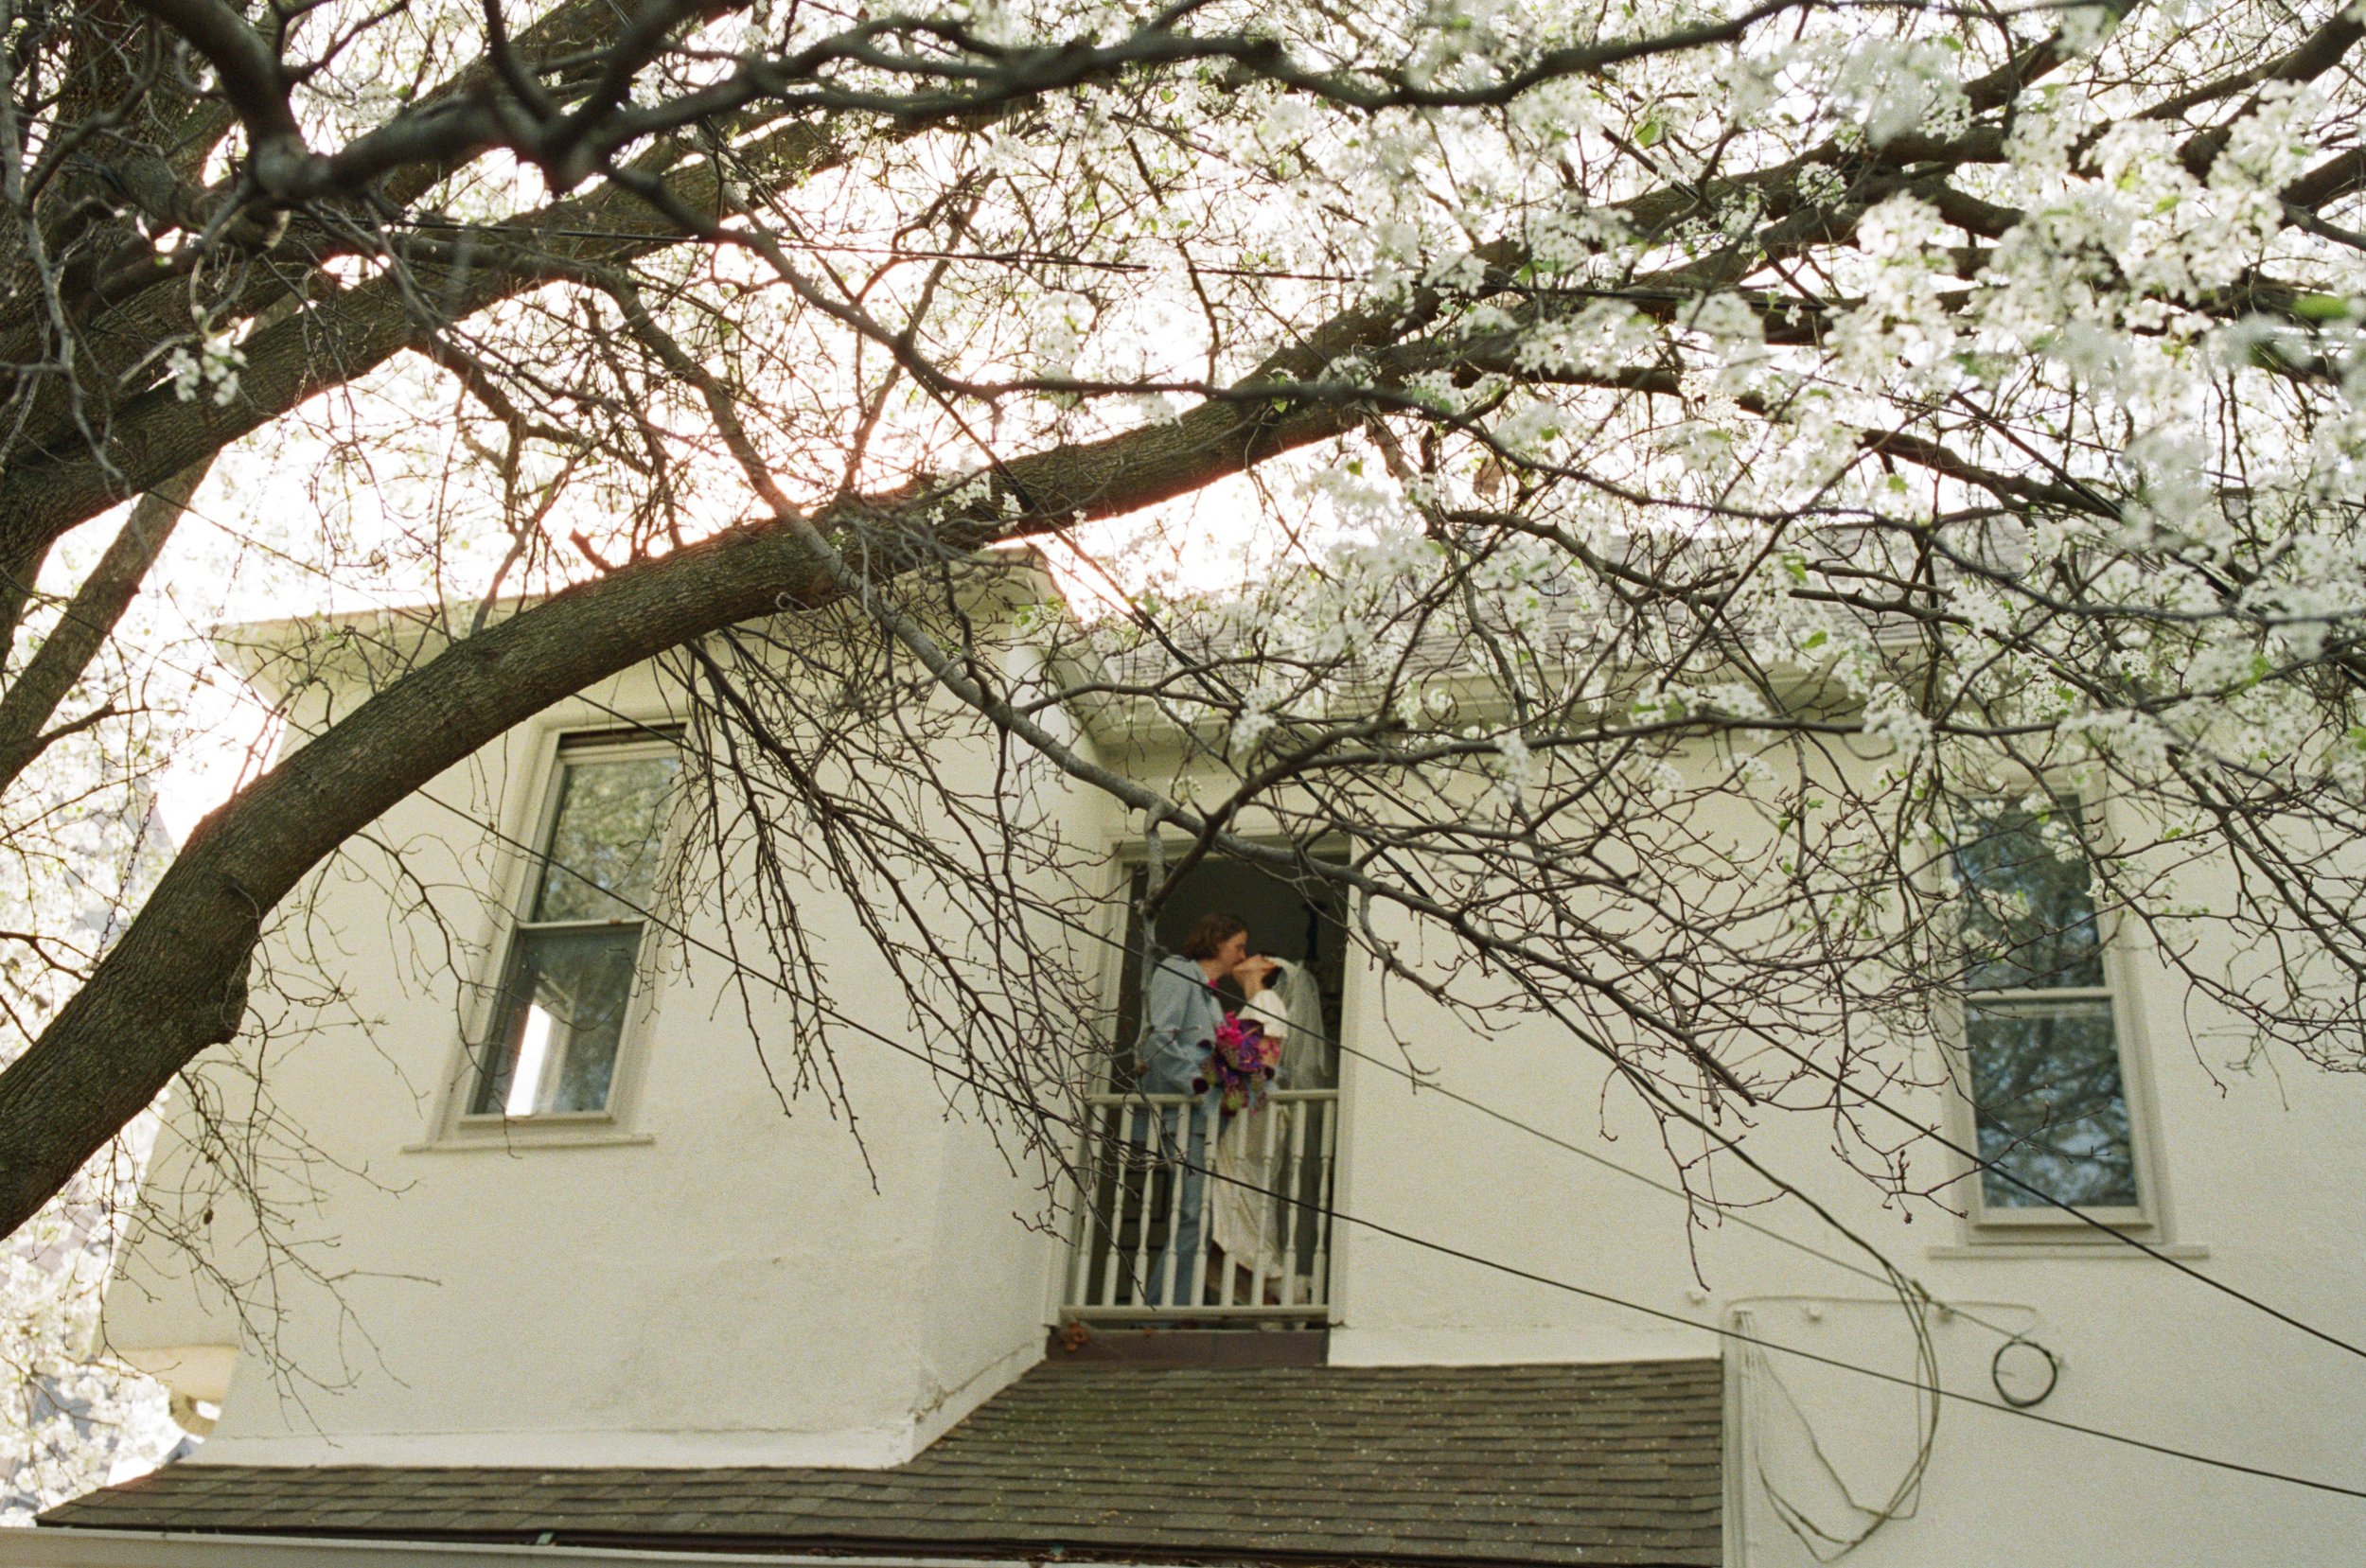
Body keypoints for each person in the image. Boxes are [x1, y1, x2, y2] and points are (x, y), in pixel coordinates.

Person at [1133, 911, 1246, 1308]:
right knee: (1193, 1216)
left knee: (1199, 1217)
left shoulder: (1209, 995)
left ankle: (1170, 1307)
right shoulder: (1177, 973)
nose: (1241, 955)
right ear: (1217, 942)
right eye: (1238, 946)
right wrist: (1202, 1086)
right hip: (1179, 1116)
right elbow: (1157, 1040)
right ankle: (1160, 1311)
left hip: (1200, 1121)